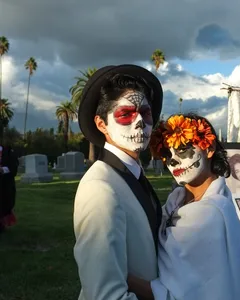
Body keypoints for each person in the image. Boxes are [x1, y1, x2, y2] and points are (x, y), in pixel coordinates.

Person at [127, 113, 240, 299]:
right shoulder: (176, 201)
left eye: (182, 149)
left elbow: (180, 295)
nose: (172, 160)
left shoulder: (210, 214)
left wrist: (121, 277)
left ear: (209, 148)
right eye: (166, 153)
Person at [73, 65, 163, 300]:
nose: (140, 123)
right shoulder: (100, 188)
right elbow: (105, 295)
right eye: (126, 114)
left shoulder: (133, 174)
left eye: (145, 112)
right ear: (101, 124)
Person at [0, 144, 18, 232]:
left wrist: (2, 170)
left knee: (3, 204)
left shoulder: (7, 152)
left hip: (4, 184)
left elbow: (13, 168)